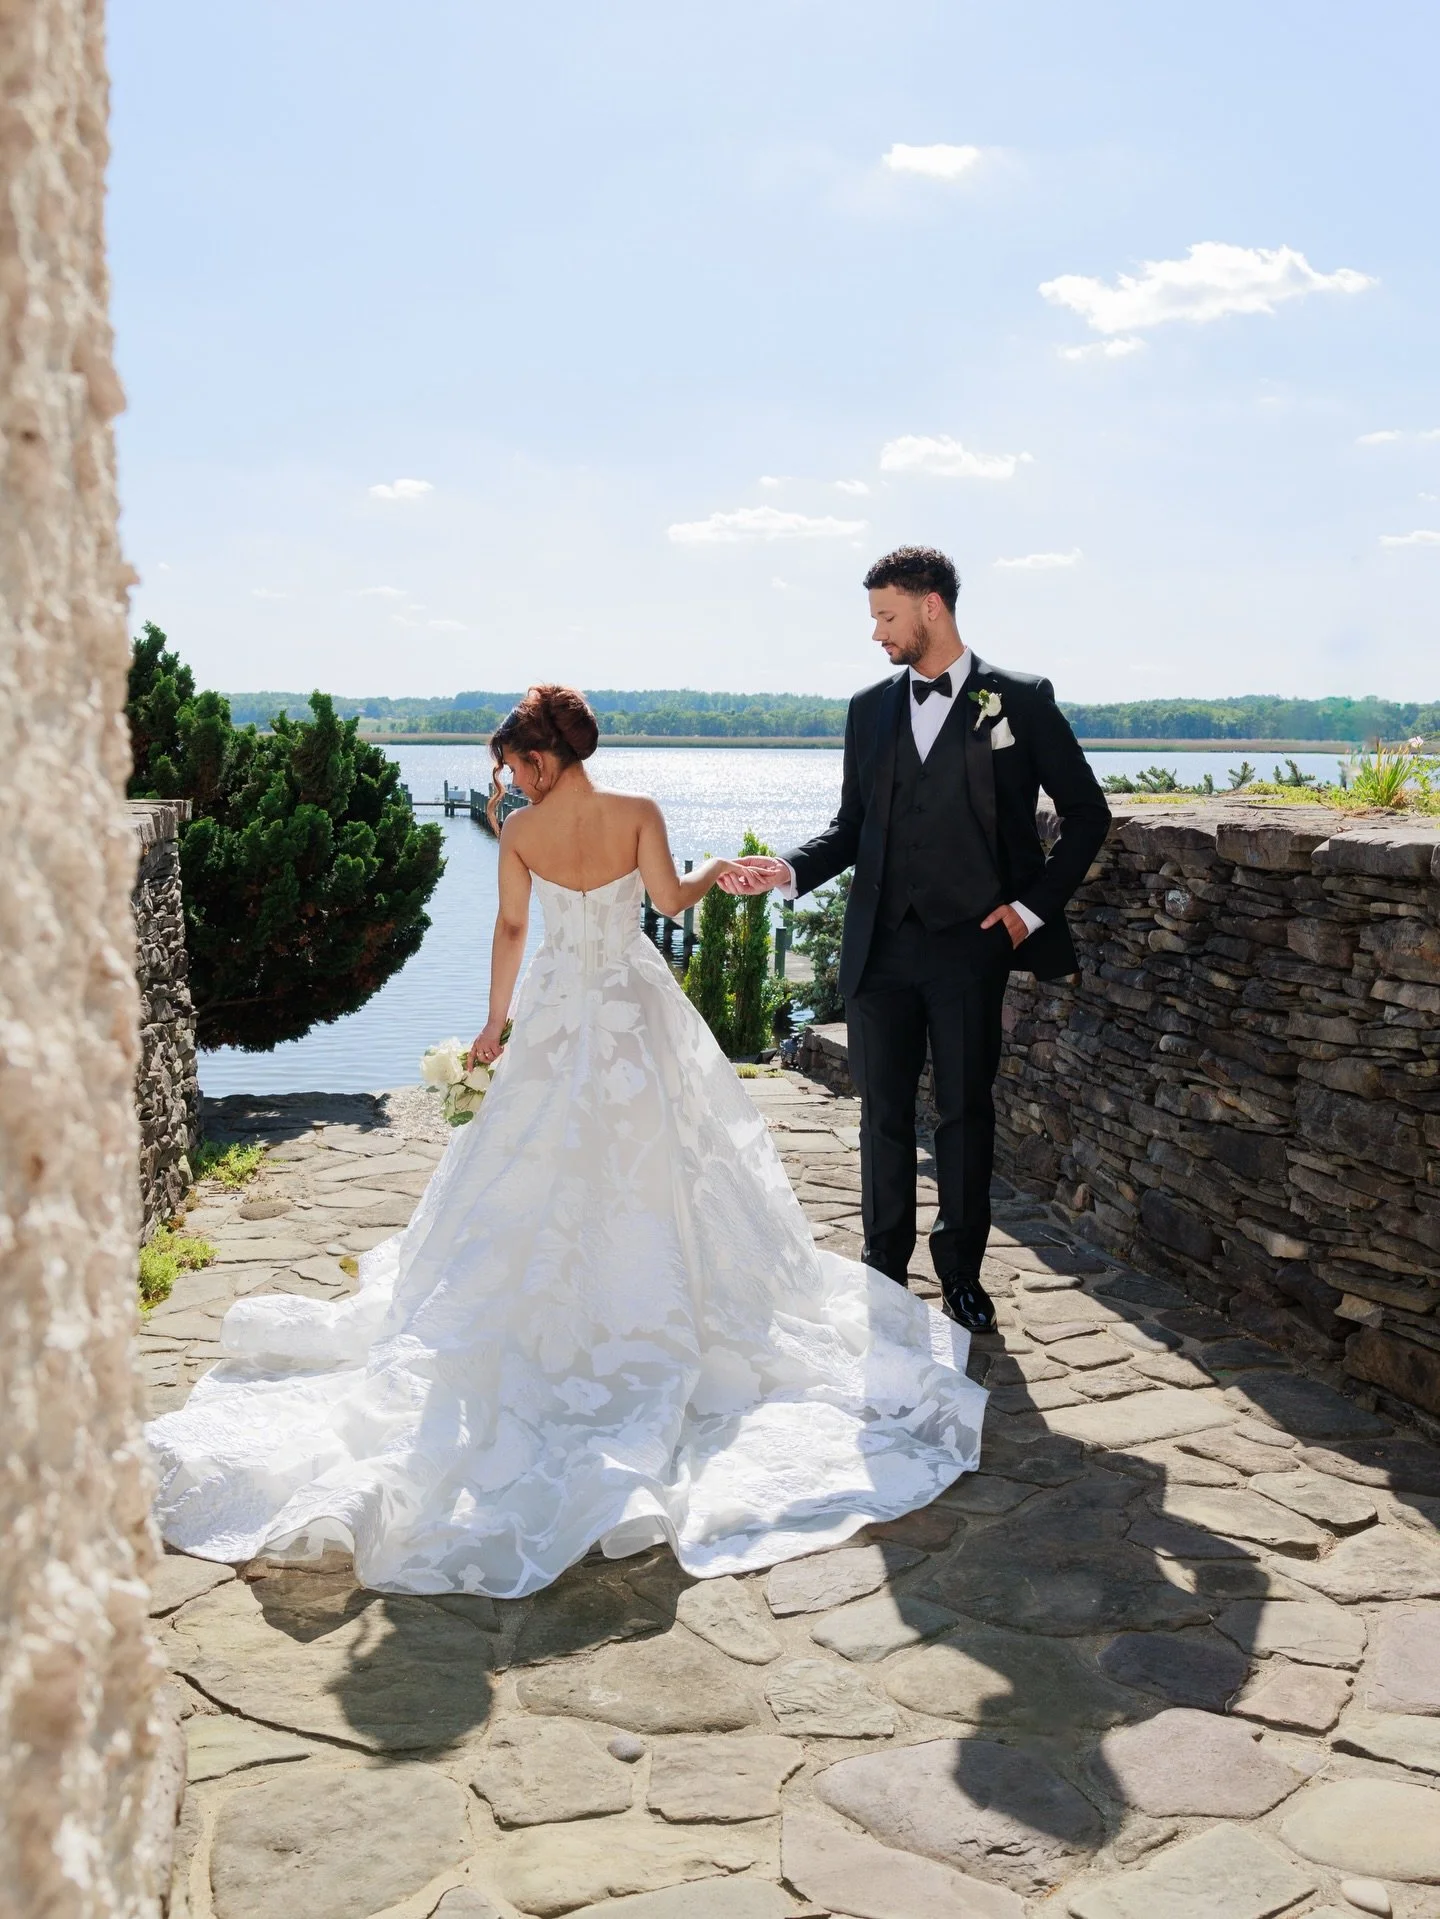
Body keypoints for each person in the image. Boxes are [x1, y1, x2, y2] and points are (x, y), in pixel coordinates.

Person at [146, 684, 987, 1598]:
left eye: (512, 763)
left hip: (553, 1014)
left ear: (543, 757)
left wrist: (493, 1026)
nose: (506, 779)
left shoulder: (519, 836)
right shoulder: (637, 813)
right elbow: (672, 898)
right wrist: (714, 870)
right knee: (659, 1167)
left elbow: (512, 928)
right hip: (633, 1015)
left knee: (527, 1169)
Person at [725, 547, 1110, 1335]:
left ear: (931, 607)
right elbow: (851, 828)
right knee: (884, 1114)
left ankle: (962, 1273)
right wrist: (787, 870)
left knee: (966, 1111)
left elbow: (1087, 815)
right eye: (874, 618)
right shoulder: (868, 709)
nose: (876, 633)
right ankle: (883, 1265)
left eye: (886, 616)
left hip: (972, 947)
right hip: (881, 947)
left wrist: (1029, 911)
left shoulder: (1020, 701)